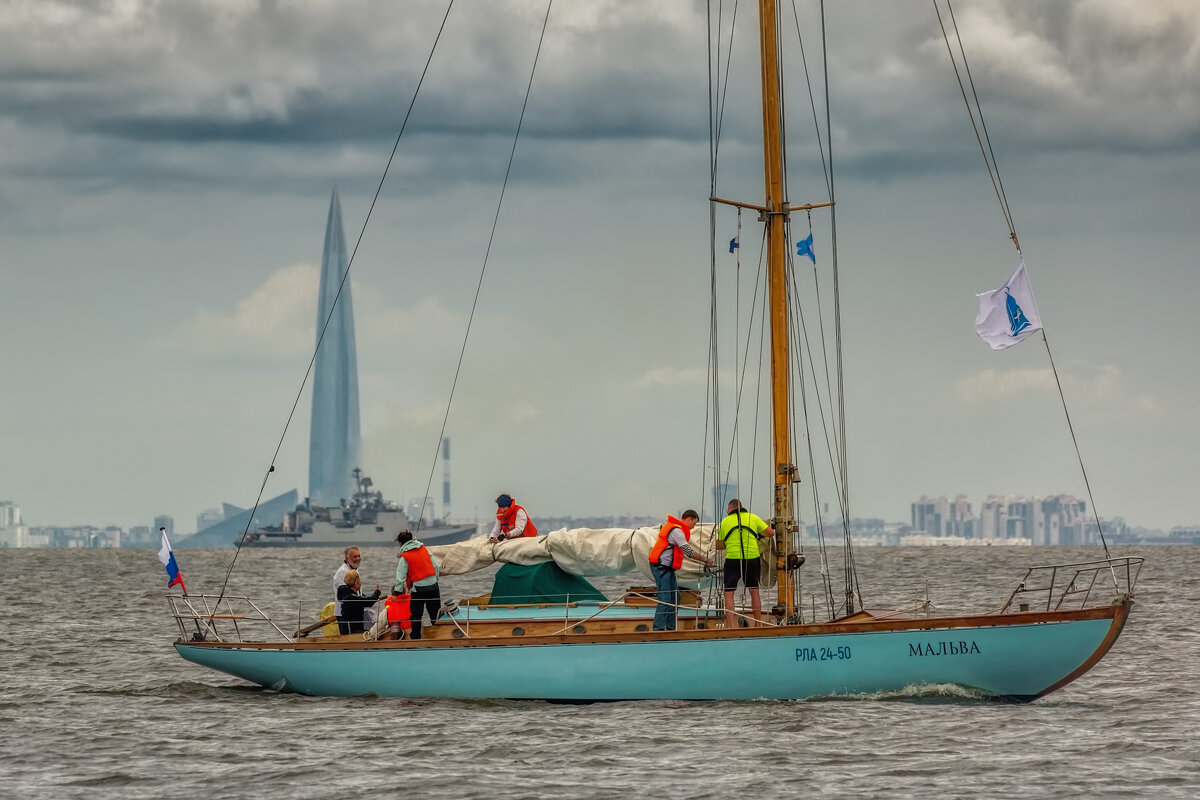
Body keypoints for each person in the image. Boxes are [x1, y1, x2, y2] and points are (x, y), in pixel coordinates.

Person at [648, 509, 712, 632]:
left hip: (667, 569)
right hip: (660, 568)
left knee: (675, 597)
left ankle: (671, 628)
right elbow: (688, 551)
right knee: (665, 598)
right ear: (689, 519)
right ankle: (658, 630)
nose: (693, 528)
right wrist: (705, 559)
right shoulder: (677, 531)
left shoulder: (677, 529)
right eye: (694, 524)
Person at [717, 498, 775, 628]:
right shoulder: (753, 518)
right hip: (752, 557)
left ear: (731, 508)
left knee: (729, 593)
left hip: (733, 559)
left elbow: (720, 545)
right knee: (754, 591)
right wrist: (758, 534)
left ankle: (731, 625)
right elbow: (771, 533)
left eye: (728, 510)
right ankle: (757, 624)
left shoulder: (724, 522)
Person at [394, 530, 441, 639]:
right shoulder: (424, 549)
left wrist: (397, 592)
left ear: (400, 543)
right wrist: (435, 579)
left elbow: (400, 576)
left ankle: (416, 636)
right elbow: (436, 566)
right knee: (435, 614)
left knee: (416, 615)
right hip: (433, 586)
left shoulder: (405, 556)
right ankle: (439, 636)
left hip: (418, 589)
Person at [336, 570, 382, 635]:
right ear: (356, 583)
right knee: (375, 634)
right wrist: (378, 591)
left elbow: (365, 599)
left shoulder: (348, 593)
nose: (360, 583)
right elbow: (369, 602)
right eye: (359, 581)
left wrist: (375, 596)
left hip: (354, 627)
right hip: (352, 630)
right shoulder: (351, 597)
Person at [332, 546, 362, 619]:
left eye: (359, 556)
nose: (358, 559)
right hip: (344, 614)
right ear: (347, 559)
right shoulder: (343, 572)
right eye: (354, 557)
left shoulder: (354, 569)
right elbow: (347, 595)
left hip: (354, 612)